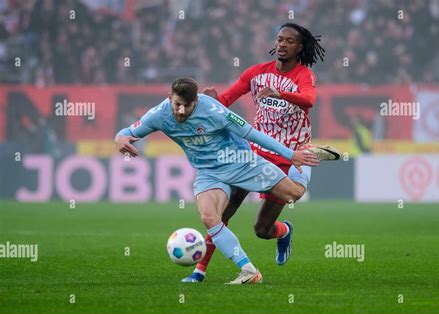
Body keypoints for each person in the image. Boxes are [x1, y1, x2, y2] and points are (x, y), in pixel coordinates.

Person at [115, 77, 324, 284]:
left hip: (242, 162)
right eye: (177, 104)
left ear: (196, 101)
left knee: (294, 194)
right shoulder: (158, 115)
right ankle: (249, 270)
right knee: (210, 217)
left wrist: (291, 155)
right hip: (209, 172)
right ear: (169, 98)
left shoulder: (215, 111)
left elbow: (252, 134)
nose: (181, 111)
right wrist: (120, 138)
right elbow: (127, 132)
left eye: (187, 106)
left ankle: (287, 221)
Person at [183, 23, 339, 283]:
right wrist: (210, 100)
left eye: (289, 41)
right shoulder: (256, 73)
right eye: (279, 39)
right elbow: (226, 101)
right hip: (253, 152)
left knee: (262, 229)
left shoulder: (304, 76)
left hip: (290, 154)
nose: (282, 44)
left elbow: (309, 100)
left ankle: (283, 231)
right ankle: (199, 272)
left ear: (300, 47)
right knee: (222, 213)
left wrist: (282, 93)